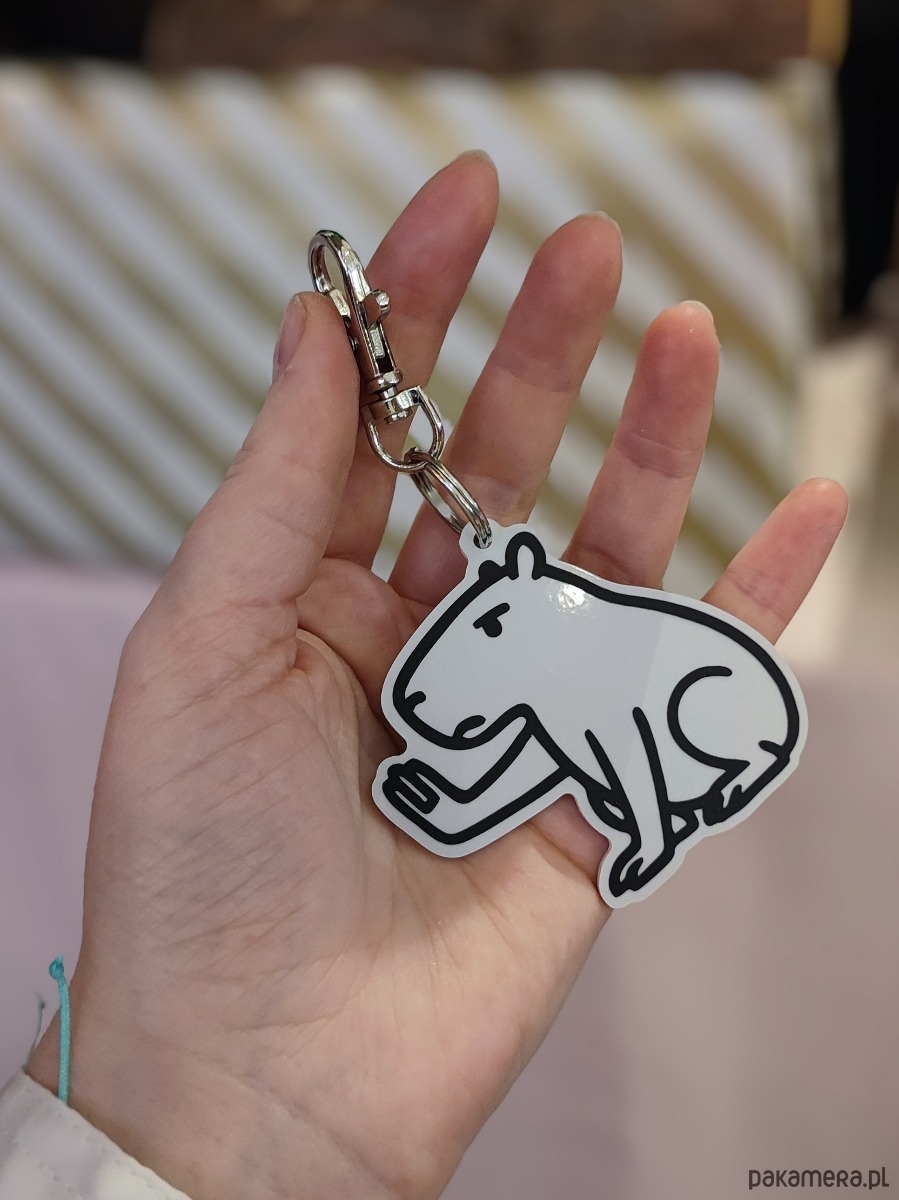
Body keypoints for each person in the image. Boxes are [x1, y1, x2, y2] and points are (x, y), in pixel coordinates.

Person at [0, 152, 848, 1200]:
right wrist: (447, 807)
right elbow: (536, 758)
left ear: (515, 607)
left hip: (722, 722)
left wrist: (648, 834)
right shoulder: (551, 653)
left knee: (608, 748)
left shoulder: (577, 648)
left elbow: (600, 748)